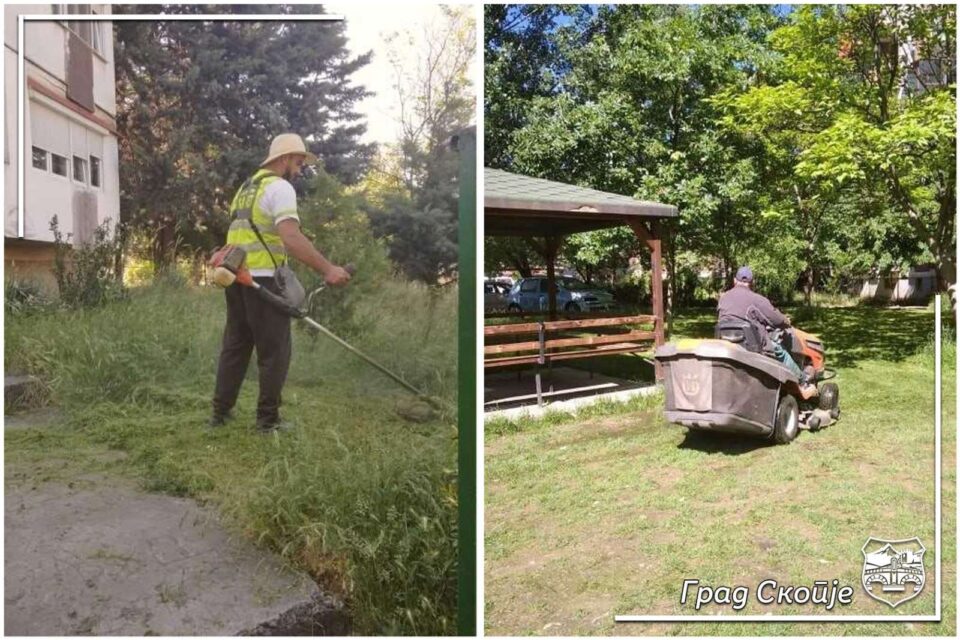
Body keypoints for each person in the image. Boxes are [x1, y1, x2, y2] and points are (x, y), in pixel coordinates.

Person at [210, 133, 351, 432]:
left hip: (236, 277)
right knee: (274, 352)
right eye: (298, 163)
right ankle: (267, 421)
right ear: (284, 159)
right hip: (263, 283)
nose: (299, 170)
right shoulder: (279, 187)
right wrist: (328, 268)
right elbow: (290, 236)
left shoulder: (246, 189)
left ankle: (219, 414)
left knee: (235, 347)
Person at [717, 266, 818, 399]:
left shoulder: (723, 299)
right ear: (752, 282)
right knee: (780, 352)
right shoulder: (756, 299)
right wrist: (785, 320)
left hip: (728, 344)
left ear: (735, 281)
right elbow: (775, 318)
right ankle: (802, 381)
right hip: (752, 347)